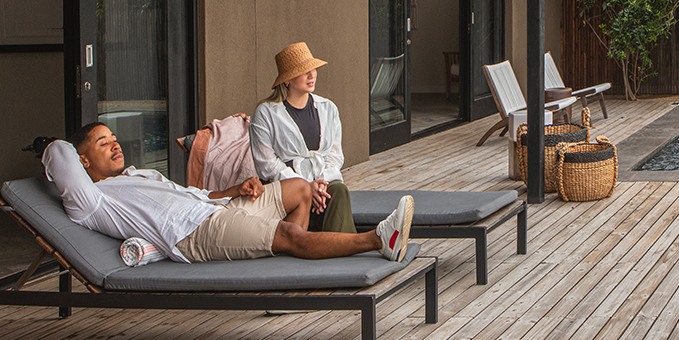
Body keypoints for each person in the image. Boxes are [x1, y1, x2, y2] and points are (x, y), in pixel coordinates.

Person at [43, 123, 412, 263]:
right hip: (193, 234)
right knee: (288, 234)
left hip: (215, 209)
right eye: (103, 143)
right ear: (82, 161)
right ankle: (379, 240)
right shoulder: (91, 201)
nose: (115, 145)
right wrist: (58, 148)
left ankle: (289, 271)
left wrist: (234, 189)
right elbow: (57, 152)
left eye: (114, 139)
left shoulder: (140, 174)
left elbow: (192, 194)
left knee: (299, 189)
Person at [251, 42, 354, 233]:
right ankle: (352, 246)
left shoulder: (328, 108)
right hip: (286, 189)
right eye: (304, 70)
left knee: (338, 191)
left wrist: (320, 185)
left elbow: (335, 155)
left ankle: (342, 251)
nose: (312, 74)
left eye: (313, 68)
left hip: (321, 185)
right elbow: (266, 164)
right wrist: (306, 187)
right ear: (287, 79)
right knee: (324, 196)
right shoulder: (266, 113)